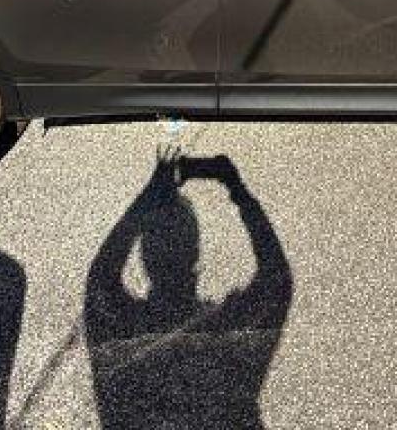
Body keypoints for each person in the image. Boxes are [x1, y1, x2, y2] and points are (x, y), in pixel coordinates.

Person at [83, 153, 293, 430]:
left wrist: (147, 199)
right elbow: (276, 278)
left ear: (145, 257)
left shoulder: (123, 328)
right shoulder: (227, 330)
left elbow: (101, 275)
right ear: (196, 252)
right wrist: (236, 187)